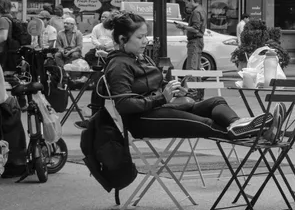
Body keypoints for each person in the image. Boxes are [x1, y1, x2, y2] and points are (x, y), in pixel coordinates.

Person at [98, 11, 270, 140]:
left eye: (145, 36)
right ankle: (253, 134)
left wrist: (175, 90)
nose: (145, 41)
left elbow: (157, 86)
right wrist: (162, 98)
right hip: (142, 120)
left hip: (161, 108)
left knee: (216, 102)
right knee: (205, 124)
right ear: (122, 39)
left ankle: (239, 125)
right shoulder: (119, 65)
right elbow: (124, 105)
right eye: (140, 37)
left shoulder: (140, 58)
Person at [182, 0, 205, 71]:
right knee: (197, 66)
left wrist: (183, 27)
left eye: (186, 3)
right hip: (199, 41)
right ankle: (196, 82)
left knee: (192, 66)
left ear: (191, 1)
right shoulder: (201, 9)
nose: (186, 5)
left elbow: (195, 29)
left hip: (194, 41)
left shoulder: (196, 12)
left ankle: (191, 82)